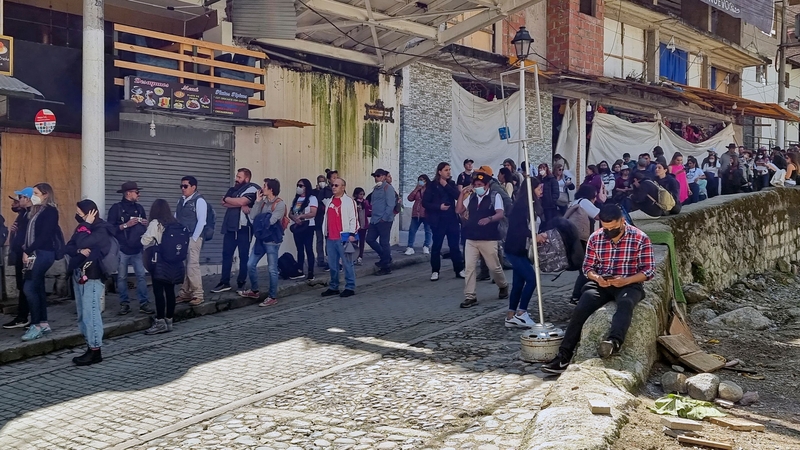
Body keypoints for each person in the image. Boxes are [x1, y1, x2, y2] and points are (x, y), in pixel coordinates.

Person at [542, 204, 655, 374]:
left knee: (625, 303)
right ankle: (564, 355)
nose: (610, 233)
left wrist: (626, 280)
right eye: (606, 228)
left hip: (629, 282)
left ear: (623, 221)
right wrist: (597, 278)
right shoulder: (596, 238)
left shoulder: (640, 238)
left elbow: (648, 270)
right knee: (582, 306)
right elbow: (587, 267)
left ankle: (614, 342)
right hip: (602, 283)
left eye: (614, 228)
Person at [65, 199, 114, 365]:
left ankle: (95, 350)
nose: (78, 216)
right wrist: (79, 249)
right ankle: (89, 346)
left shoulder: (101, 229)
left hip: (92, 276)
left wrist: (84, 226)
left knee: (91, 314)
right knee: (82, 314)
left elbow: (83, 241)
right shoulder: (84, 228)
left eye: (80, 213)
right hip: (79, 272)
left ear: (91, 213)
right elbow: (70, 246)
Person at [455, 172, 509, 308]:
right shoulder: (472, 197)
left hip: (488, 238)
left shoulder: (494, 196)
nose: (477, 187)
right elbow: (459, 210)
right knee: (469, 268)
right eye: (475, 185)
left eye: (480, 185)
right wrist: (462, 194)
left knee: (494, 267)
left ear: (486, 185)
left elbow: (500, 213)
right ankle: (470, 296)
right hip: (471, 238)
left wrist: (489, 219)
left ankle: (503, 285)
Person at [20, 183, 60, 341]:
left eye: (36, 193)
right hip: (37, 253)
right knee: (38, 287)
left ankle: (35, 325)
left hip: (42, 253)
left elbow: (44, 235)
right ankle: (43, 323)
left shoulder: (50, 211)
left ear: (46, 195)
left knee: (29, 288)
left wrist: (28, 251)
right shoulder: (36, 211)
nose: (33, 195)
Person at [108, 181, 153, 315]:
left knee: (141, 276)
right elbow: (110, 229)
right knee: (121, 277)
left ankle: (144, 303)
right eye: (137, 192)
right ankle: (124, 304)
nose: (139, 195)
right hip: (122, 248)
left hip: (137, 248)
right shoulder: (116, 208)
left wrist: (145, 223)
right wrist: (126, 225)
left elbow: (145, 227)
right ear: (128, 193)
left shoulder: (139, 208)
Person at [141, 199, 186, 334]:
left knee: (159, 292)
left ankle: (160, 322)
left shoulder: (155, 223)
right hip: (175, 262)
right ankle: (169, 320)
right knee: (170, 291)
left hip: (160, 262)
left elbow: (144, 240)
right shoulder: (175, 222)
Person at [212, 168, 260, 293]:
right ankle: (224, 282)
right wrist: (239, 203)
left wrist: (232, 200)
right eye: (237, 176)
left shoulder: (252, 188)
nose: (236, 179)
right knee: (226, 255)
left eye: (239, 177)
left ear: (247, 179)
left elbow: (242, 200)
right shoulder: (233, 189)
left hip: (244, 228)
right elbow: (223, 203)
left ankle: (241, 283)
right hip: (230, 228)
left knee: (243, 256)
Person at [503, 179, 543, 329]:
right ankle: (522, 312)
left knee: (519, 283)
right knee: (532, 279)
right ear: (532, 189)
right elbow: (518, 228)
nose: (541, 191)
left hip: (522, 249)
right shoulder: (521, 206)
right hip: (515, 248)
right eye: (539, 188)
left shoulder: (532, 204)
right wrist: (534, 236)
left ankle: (511, 315)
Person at [240, 178, 286, 306]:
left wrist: (261, 221)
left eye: (265, 186)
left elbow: (271, 221)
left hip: (272, 240)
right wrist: (257, 202)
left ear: (271, 189)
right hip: (261, 239)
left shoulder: (280, 204)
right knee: (250, 264)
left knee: (272, 269)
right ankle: (254, 290)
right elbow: (253, 216)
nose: (262, 188)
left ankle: (272, 296)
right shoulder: (263, 202)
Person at [424, 162, 465, 281]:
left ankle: (459, 270)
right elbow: (425, 203)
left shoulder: (451, 184)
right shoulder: (431, 185)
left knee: (455, 246)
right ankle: (435, 271)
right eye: (446, 170)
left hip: (451, 219)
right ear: (439, 172)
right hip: (438, 221)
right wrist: (439, 207)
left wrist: (446, 185)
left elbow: (458, 196)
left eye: (449, 170)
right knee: (436, 247)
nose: (448, 172)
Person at [319, 178, 358, 298]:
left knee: (347, 263)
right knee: (332, 264)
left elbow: (354, 219)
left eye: (336, 185)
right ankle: (333, 286)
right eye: (332, 185)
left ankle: (350, 287)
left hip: (344, 237)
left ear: (343, 187)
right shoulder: (329, 201)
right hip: (330, 237)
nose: (333, 187)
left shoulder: (349, 201)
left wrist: (352, 234)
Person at [175, 176, 207, 306]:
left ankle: (198, 294)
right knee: (186, 266)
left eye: (185, 186)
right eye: (181, 186)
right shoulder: (181, 201)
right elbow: (176, 218)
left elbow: (201, 221)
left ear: (194, 187)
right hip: (182, 238)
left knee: (192, 266)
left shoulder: (199, 201)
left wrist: (194, 238)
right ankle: (185, 293)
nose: (183, 189)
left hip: (193, 237)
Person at [3, 189, 32, 329]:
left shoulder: (29, 215)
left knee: (27, 286)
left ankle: (24, 317)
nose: (14, 203)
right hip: (19, 254)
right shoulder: (22, 215)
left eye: (16, 200)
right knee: (23, 286)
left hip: (25, 255)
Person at [366, 169, 396, 275]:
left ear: (383, 177)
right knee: (369, 239)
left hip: (384, 220)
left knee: (384, 242)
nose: (376, 178)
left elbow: (391, 205)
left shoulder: (388, 188)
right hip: (375, 219)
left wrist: (384, 218)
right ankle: (385, 257)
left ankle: (386, 267)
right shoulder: (376, 189)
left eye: (378, 176)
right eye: (375, 176)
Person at [288, 178, 318, 280]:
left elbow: (313, 212)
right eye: (298, 185)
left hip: (308, 226)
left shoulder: (312, 198)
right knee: (299, 249)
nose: (299, 188)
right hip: (297, 226)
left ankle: (311, 271)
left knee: (308, 249)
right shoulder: (296, 199)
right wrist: (295, 219)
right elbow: (290, 213)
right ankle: (299, 270)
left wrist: (301, 217)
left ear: (306, 187)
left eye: (301, 186)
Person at [405, 174, 432, 255]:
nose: (421, 181)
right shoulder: (417, 190)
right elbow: (410, 198)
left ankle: (426, 246)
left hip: (426, 213)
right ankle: (410, 247)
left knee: (428, 231)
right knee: (412, 230)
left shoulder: (429, 190)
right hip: (416, 213)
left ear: (426, 181)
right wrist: (416, 189)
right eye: (420, 180)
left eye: (423, 180)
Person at [313, 172, 335, 271]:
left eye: (323, 181)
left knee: (328, 241)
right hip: (318, 220)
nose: (321, 183)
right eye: (319, 181)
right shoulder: (315, 192)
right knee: (319, 240)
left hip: (327, 220)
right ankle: (320, 259)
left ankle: (329, 259)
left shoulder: (329, 191)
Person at [353, 187, 370, 265]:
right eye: (360, 194)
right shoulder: (353, 202)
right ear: (356, 195)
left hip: (364, 224)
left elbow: (369, 211)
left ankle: (360, 256)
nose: (362, 196)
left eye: (363, 194)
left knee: (362, 241)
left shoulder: (365, 202)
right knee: (355, 241)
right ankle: (354, 256)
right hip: (356, 225)